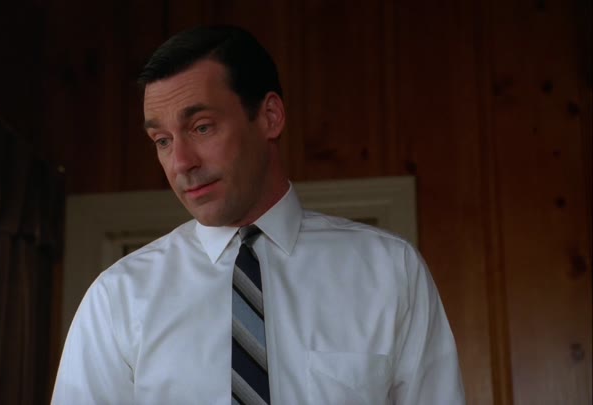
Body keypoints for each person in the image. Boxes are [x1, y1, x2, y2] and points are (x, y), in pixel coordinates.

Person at [52, 25, 465, 404]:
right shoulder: (118, 298)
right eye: (162, 140)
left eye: (201, 127)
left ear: (270, 117)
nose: (180, 162)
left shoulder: (390, 271)